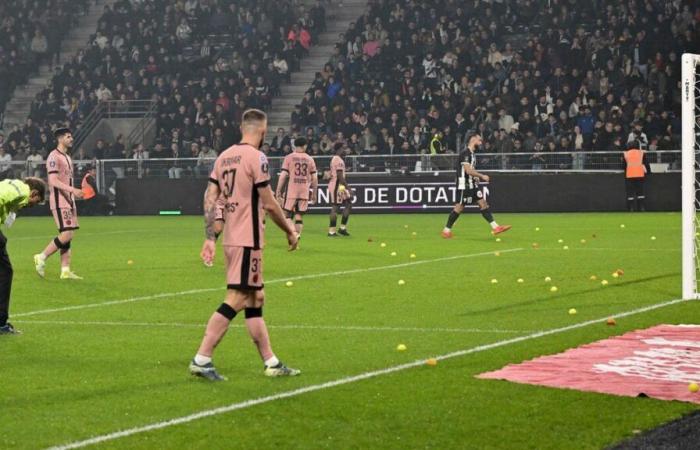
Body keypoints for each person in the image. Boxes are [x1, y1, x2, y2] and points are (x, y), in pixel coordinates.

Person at [192, 109, 300, 381]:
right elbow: (269, 202)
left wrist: (209, 236)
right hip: (248, 239)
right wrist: (289, 230)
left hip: (232, 239)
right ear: (262, 132)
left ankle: (271, 363)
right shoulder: (257, 157)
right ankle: (202, 358)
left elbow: (209, 197)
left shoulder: (224, 156)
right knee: (238, 297)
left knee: (255, 298)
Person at [33, 128, 84, 279]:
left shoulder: (67, 157)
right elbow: (53, 181)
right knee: (67, 233)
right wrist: (73, 190)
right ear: (60, 139)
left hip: (69, 200)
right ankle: (41, 256)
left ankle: (65, 270)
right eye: (68, 136)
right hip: (60, 200)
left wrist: (72, 194)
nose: (71, 138)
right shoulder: (53, 157)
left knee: (69, 234)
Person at [0, 177, 47, 334]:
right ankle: (0, 323)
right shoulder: (20, 191)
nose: (30, 206)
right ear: (33, 193)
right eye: (34, 202)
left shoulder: (13, 186)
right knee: (5, 272)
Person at [442, 133, 511, 238]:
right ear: (473, 139)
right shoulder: (465, 153)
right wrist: (481, 175)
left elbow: (469, 171)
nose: (480, 142)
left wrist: (475, 177)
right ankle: (446, 231)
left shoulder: (472, 154)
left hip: (472, 184)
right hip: (464, 185)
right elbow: (468, 170)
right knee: (459, 207)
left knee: (483, 203)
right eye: (479, 140)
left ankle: (496, 227)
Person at [275, 137, 318, 239]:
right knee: (299, 215)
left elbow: (283, 175)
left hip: (292, 190)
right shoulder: (310, 159)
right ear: (305, 146)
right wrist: (314, 193)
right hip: (304, 191)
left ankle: (293, 233)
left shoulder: (289, 157)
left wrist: (278, 190)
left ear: (295, 145)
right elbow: (314, 178)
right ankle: (298, 234)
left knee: (286, 214)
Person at [327, 143, 352, 237]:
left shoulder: (337, 159)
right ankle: (331, 231)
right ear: (339, 149)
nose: (345, 151)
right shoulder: (338, 160)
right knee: (336, 207)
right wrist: (348, 188)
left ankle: (342, 228)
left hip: (340, 186)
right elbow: (340, 176)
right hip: (337, 185)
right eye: (343, 149)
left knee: (348, 204)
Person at [623, 141, 651, 212]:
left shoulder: (626, 154)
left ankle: (631, 208)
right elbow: (646, 164)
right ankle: (641, 208)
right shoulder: (641, 153)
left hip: (629, 175)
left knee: (630, 193)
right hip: (639, 175)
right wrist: (649, 172)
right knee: (640, 192)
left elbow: (623, 166)